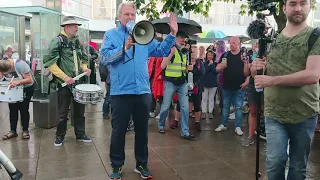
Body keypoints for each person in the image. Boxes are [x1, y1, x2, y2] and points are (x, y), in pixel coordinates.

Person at [100, 2, 178, 180]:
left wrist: (172, 34)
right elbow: (104, 58)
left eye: (133, 15)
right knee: (118, 131)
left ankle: (142, 164)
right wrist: (125, 48)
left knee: (142, 131)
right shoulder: (111, 35)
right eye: (127, 14)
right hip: (121, 92)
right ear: (120, 17)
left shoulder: (143, 34)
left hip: (142, 91)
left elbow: (160, 50)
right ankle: (116, 165)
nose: (130, 18)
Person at [250, 0, 320, 179]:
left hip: (305, 112)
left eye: (303, 3)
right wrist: (256, 66)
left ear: (310, 6)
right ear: (284, 8)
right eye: (292, 3)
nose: (298, 8)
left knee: (298, 167)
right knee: (274, 162)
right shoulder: (272, 38)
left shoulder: (315, 35)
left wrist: (272, 80)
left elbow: (312, 75)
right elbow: (256, 73)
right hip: (274, 113)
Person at [44, 16, 92, 147]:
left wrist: (85, 68)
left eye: (77, 25)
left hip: (78, 82)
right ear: (66, 27)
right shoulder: (57, 41)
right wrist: (65, 77)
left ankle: (80, 134)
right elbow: (50, 63)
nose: (77, 28)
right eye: (74, 25)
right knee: (63, 112)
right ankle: (59, 136)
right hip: (63, 84)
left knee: (80, 111)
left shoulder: (77, 41)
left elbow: (83, 59)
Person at [158, 31, 194, 139]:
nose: (183, 40)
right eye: (181, 37)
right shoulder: (170, 49)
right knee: (165, 106)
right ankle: (161, 125)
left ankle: (185, 132)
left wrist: (188, 68)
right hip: (170, 82)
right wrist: (171, 54)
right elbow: (163, 66)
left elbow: (184, 67)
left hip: (182, 82)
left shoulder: (185, 51)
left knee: (185, 107)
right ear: (175, 38)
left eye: (184, 38)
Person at [214, 37, 248, 136]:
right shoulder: (225, 55)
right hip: (227, 85)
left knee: (238, 107)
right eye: (230, 43)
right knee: (225, 107)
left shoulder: (243, 55)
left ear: (239, 44)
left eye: (233, 43)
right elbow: (217, 69)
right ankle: (223, 124)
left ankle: (238, 126)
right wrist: (219, 67)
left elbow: (248, 72)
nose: (231, 45)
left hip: (239, 86)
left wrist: (246, 82)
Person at [0, 58, 34, 140]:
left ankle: (25, 130)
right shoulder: (2, 64)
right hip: (13, 89)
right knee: (12, 109)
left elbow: (29, 80)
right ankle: (12, 131)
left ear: (11, 66)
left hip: (26, 88)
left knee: (24, 109)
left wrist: (17, 82)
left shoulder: (20, 65)